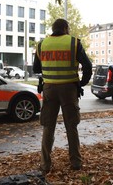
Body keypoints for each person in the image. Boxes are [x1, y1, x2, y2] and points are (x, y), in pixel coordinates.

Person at [33, 18, 92, 174]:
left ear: (53, 29)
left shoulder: (41, 44)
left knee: (48, 127)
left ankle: (45, 164)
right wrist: (82, 83)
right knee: (71, 126)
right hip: (69, 89)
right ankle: (76, 163)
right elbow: (87, 65)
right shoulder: (74, 43)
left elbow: (35, 68)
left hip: (49, 89)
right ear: (66, 28)